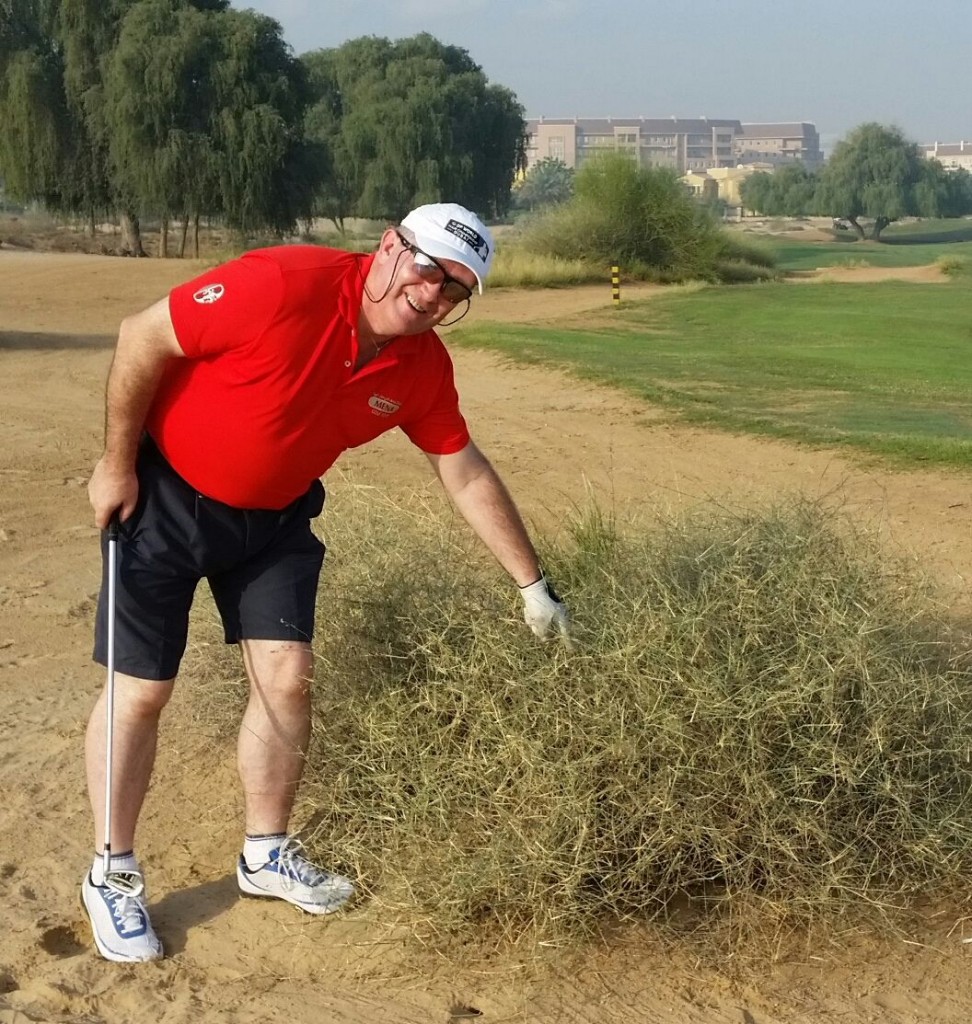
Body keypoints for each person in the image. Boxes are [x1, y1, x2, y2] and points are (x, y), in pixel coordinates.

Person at [81, 203, 571, 963]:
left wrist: (531, 584)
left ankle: (264, 855)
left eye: (455, 290)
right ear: (389, 246)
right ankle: (112, 873)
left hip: (272, 522)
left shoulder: (420, 368)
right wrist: (115, 463)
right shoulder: (282, 284)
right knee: (141, 691)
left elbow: (461, 467)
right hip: (167, 496)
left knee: (289, 679)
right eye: (428, 268)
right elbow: (143, 335)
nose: (433, 293)